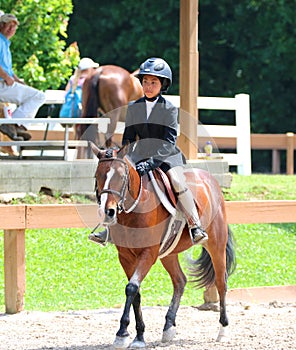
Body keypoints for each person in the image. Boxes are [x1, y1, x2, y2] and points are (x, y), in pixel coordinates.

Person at [89, 57, 208, 246]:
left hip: (166, 154)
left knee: (177, 181)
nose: (148, 86)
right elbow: (129, 138)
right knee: (119, 178)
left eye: (154, 82)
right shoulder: (134, 107)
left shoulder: (169, 109)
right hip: (138, 153)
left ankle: (195, 225)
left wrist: (151, 163)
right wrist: (119, 156)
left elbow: (168, 142)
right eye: (145, 82)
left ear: (163, 85)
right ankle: (109, 229)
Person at [0, 13, 46, 141]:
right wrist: (6, 77)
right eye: (9, 26)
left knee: (33, 96)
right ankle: (14, 124)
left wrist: (17, 79)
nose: (11, 30)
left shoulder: (4, 42)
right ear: (1, 25)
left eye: (14, 27)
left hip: (4, 82)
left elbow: (7, 68)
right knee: (39, 96)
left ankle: (16, 125)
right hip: (2, 84)